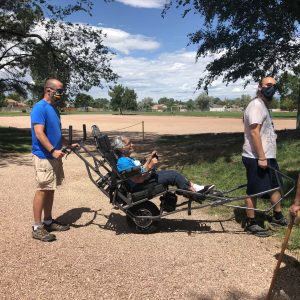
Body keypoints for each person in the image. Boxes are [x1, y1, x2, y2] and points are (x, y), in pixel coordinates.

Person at [30, 78, 79, 242]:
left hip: (54, 155)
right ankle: (37, 227)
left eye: (62, 91)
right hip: (44, 156)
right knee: (43, 189)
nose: (62, 94)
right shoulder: (39, 108)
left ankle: (48, 221)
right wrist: (52, 150)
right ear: (48, 89)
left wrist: (68, 144)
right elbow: (39, 133)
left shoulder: (54, 109)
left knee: (50, 188)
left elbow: (56, 133)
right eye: (59, 91)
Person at [242, 76, 287, 237]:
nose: (271, 88)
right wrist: (261, 157)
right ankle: (251, 223)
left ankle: (278, 216)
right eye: (268, 85)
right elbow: (254, 132)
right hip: (255, 157)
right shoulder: (255, 105)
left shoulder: (263, 105)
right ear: (260, 86)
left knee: (275, 186)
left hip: (268, 156)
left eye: (274, 85)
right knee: (254, 190)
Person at [112, 135, 214, 194]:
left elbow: (140, 170)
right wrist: (151, 165)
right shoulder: (123, 162)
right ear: (122, 148)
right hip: (140, 185)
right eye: (129, 143)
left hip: (146, 178)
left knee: (173, 173)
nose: (132, 145)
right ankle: (194, 192)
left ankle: (196, 187)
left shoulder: (126, 159)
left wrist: (149, 160)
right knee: (174, 176)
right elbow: (139, 179)